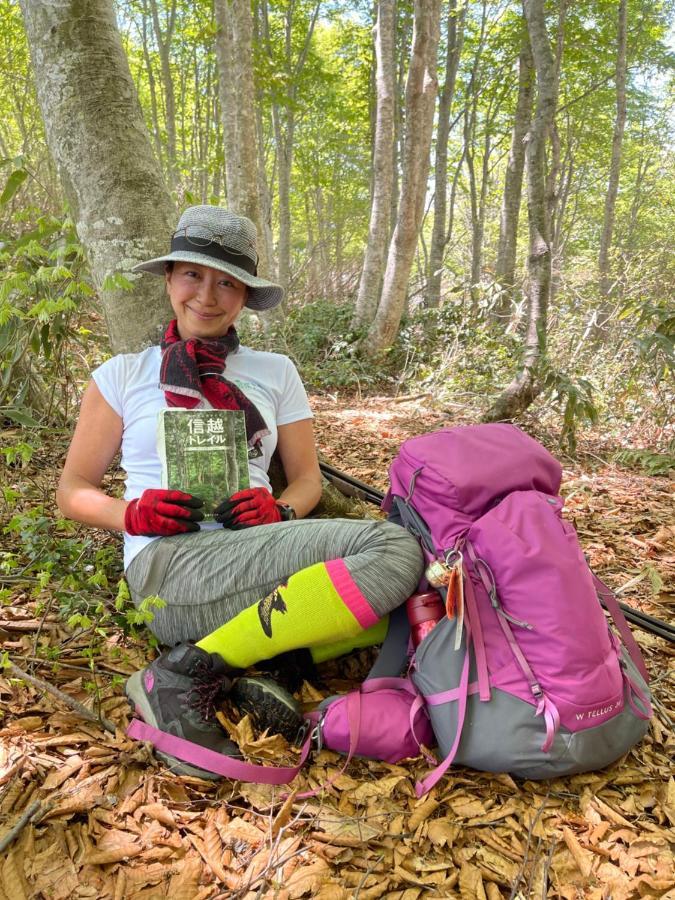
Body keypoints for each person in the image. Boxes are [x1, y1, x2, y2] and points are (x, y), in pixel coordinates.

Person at [56, 205, 424, 778]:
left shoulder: (275, 372)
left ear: (246, 296)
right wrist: (131, 514)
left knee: (413, 589)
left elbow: (308, 480)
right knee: (397, 551)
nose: (207, 295)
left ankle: (256, 661)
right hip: (169, 569)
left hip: (256, 551)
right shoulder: (122, 375)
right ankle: (182, 676)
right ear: (170, 278)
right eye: (193, 276)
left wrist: (279, 508)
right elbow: (73, 491)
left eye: (227, 282)